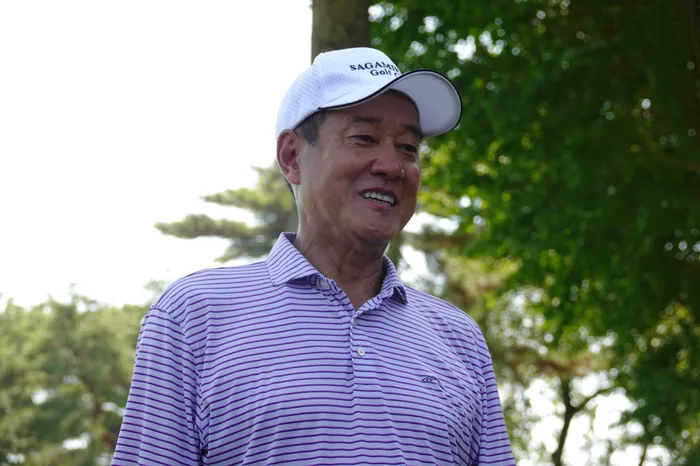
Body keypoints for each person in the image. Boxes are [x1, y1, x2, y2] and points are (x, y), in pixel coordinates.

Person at [112, 47, 515, 466]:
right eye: (364, 138)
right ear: (292, 157)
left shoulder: (459, 338)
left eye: (408, 147)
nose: (393, 166)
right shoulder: (195, 315)